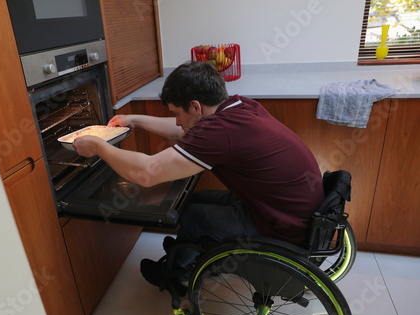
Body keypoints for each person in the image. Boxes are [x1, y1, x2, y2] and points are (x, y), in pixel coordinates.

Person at [73, 61, 324, 291]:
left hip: (281, 226)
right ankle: (188, 254)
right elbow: (184, 131)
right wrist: (135, 119)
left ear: (195, 106)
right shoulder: (239, 106)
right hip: (292, 211)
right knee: (195, 199)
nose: (177, 121)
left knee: (193, 216)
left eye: (176, 112)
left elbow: (146, 174)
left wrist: (97, 146)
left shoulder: (219, 131)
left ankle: (175, 275)